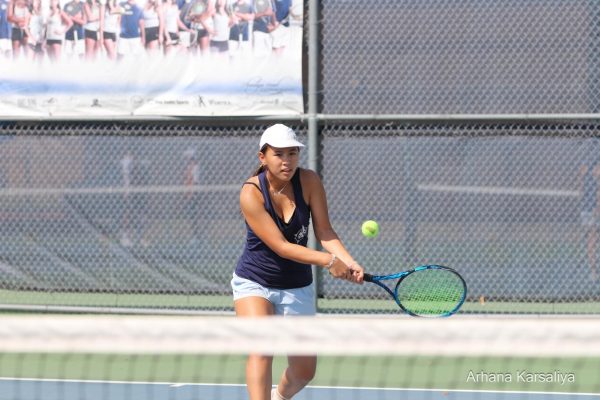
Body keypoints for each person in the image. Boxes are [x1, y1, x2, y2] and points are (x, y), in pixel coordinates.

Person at [231, 124, 364, 400]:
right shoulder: (251, 194)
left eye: (292, 153)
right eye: (278, 154)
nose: (287, 161)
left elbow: (325, 231)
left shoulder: (310, 182)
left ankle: (280, 396)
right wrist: (329, 261)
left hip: (296, 285)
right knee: (261, 348)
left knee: (304, 371)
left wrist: (348, 261)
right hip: (255, 281)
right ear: (262, 157)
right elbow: (281, 247)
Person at [580, 154, 600, 283]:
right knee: (591, 238)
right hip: (589, 209)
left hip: (592, 208)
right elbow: (583, 189)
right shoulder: (585, 171)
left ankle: (594, 270)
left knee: (592, 238)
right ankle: (593, 270)